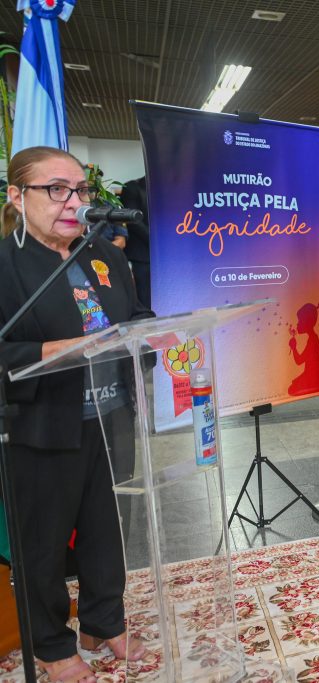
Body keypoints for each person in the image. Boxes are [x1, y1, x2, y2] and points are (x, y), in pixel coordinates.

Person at [0, 147, 153, 682]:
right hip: (43, 427)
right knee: (43, 543)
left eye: (81, 190)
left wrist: (151, 334)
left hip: (111, 419)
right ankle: (51, 643)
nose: (74, 201)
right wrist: (54, 350)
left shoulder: (104, 256)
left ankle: (102, 620)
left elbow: (133, 317)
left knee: (107, 530)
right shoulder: (6, 264)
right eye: (56, 189)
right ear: (18, 198)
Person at [118, 176, 151, 307]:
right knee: (146, 298)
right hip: (142, 255)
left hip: (167, 255)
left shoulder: (168, 188)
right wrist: (157, 243)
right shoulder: (132, 187)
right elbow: (133, 221)